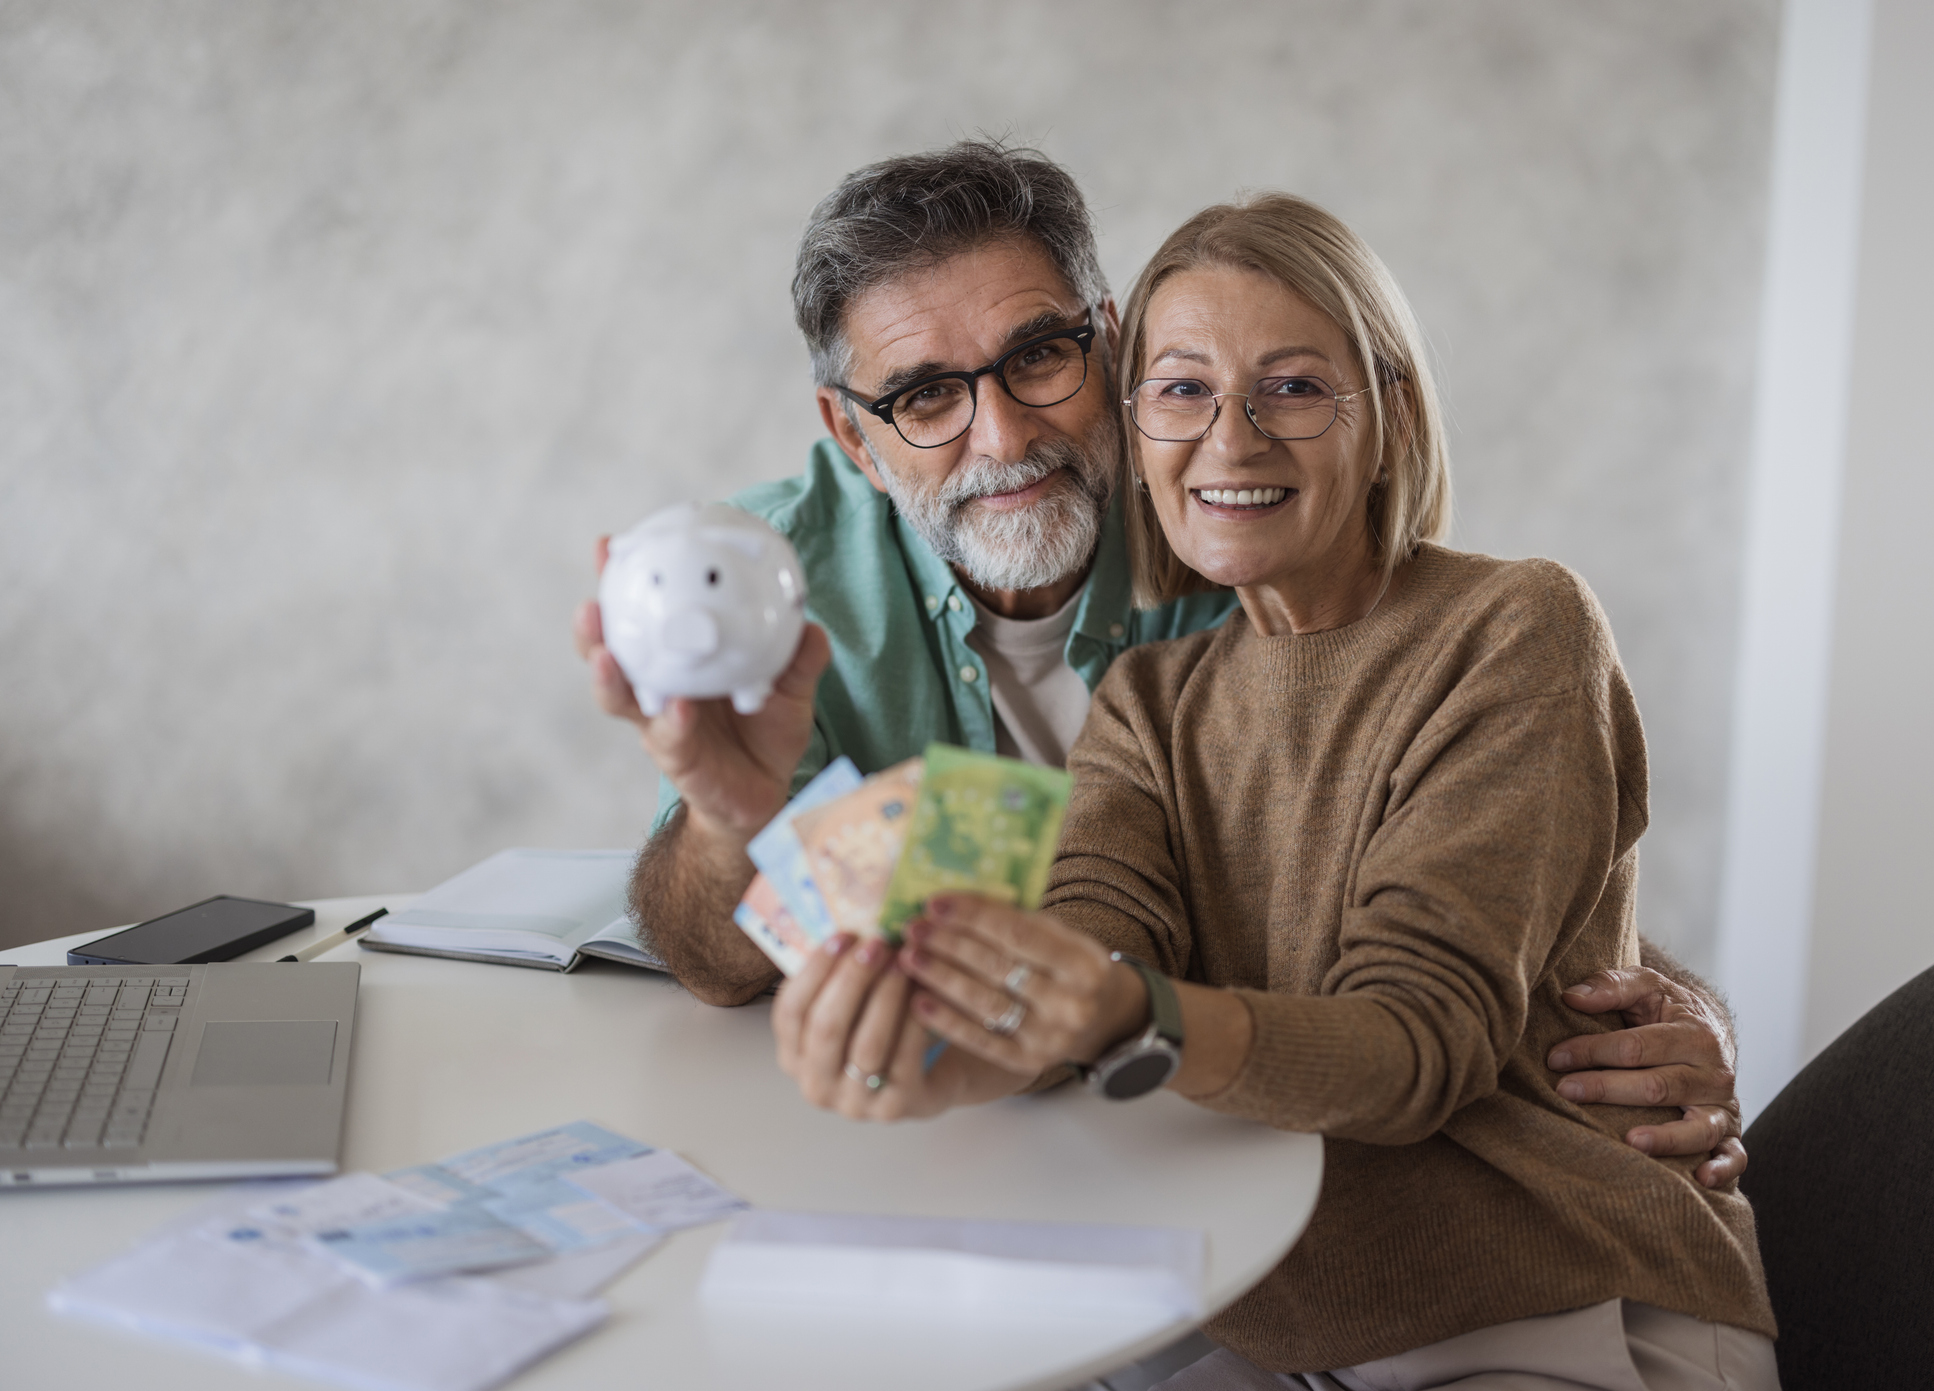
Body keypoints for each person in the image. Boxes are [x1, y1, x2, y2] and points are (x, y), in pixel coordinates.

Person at [770, 192, 1780, 1391]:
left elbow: (1417, 1041)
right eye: (1183, 391)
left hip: (1552, 1314)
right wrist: (960, 1044)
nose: (1230, 440)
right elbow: (1084, 943)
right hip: (1274, 1324)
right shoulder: (1146, 701)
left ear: (1389, 416)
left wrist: (1113, 1010)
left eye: (1291, 388)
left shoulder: (1515, 626)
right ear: (1138, 422)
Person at [572, 140, 1748, 1186]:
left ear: (1107, 343)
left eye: (1039, 356)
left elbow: (1454, 872)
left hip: (1279, 1168)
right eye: (925, 396)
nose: (1003, 434)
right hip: (1004, 1158)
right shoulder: (764, 593)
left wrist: (1662, 1000)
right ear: (852, 435)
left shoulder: (1241, 530)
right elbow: (720, 963)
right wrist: (734, 822)